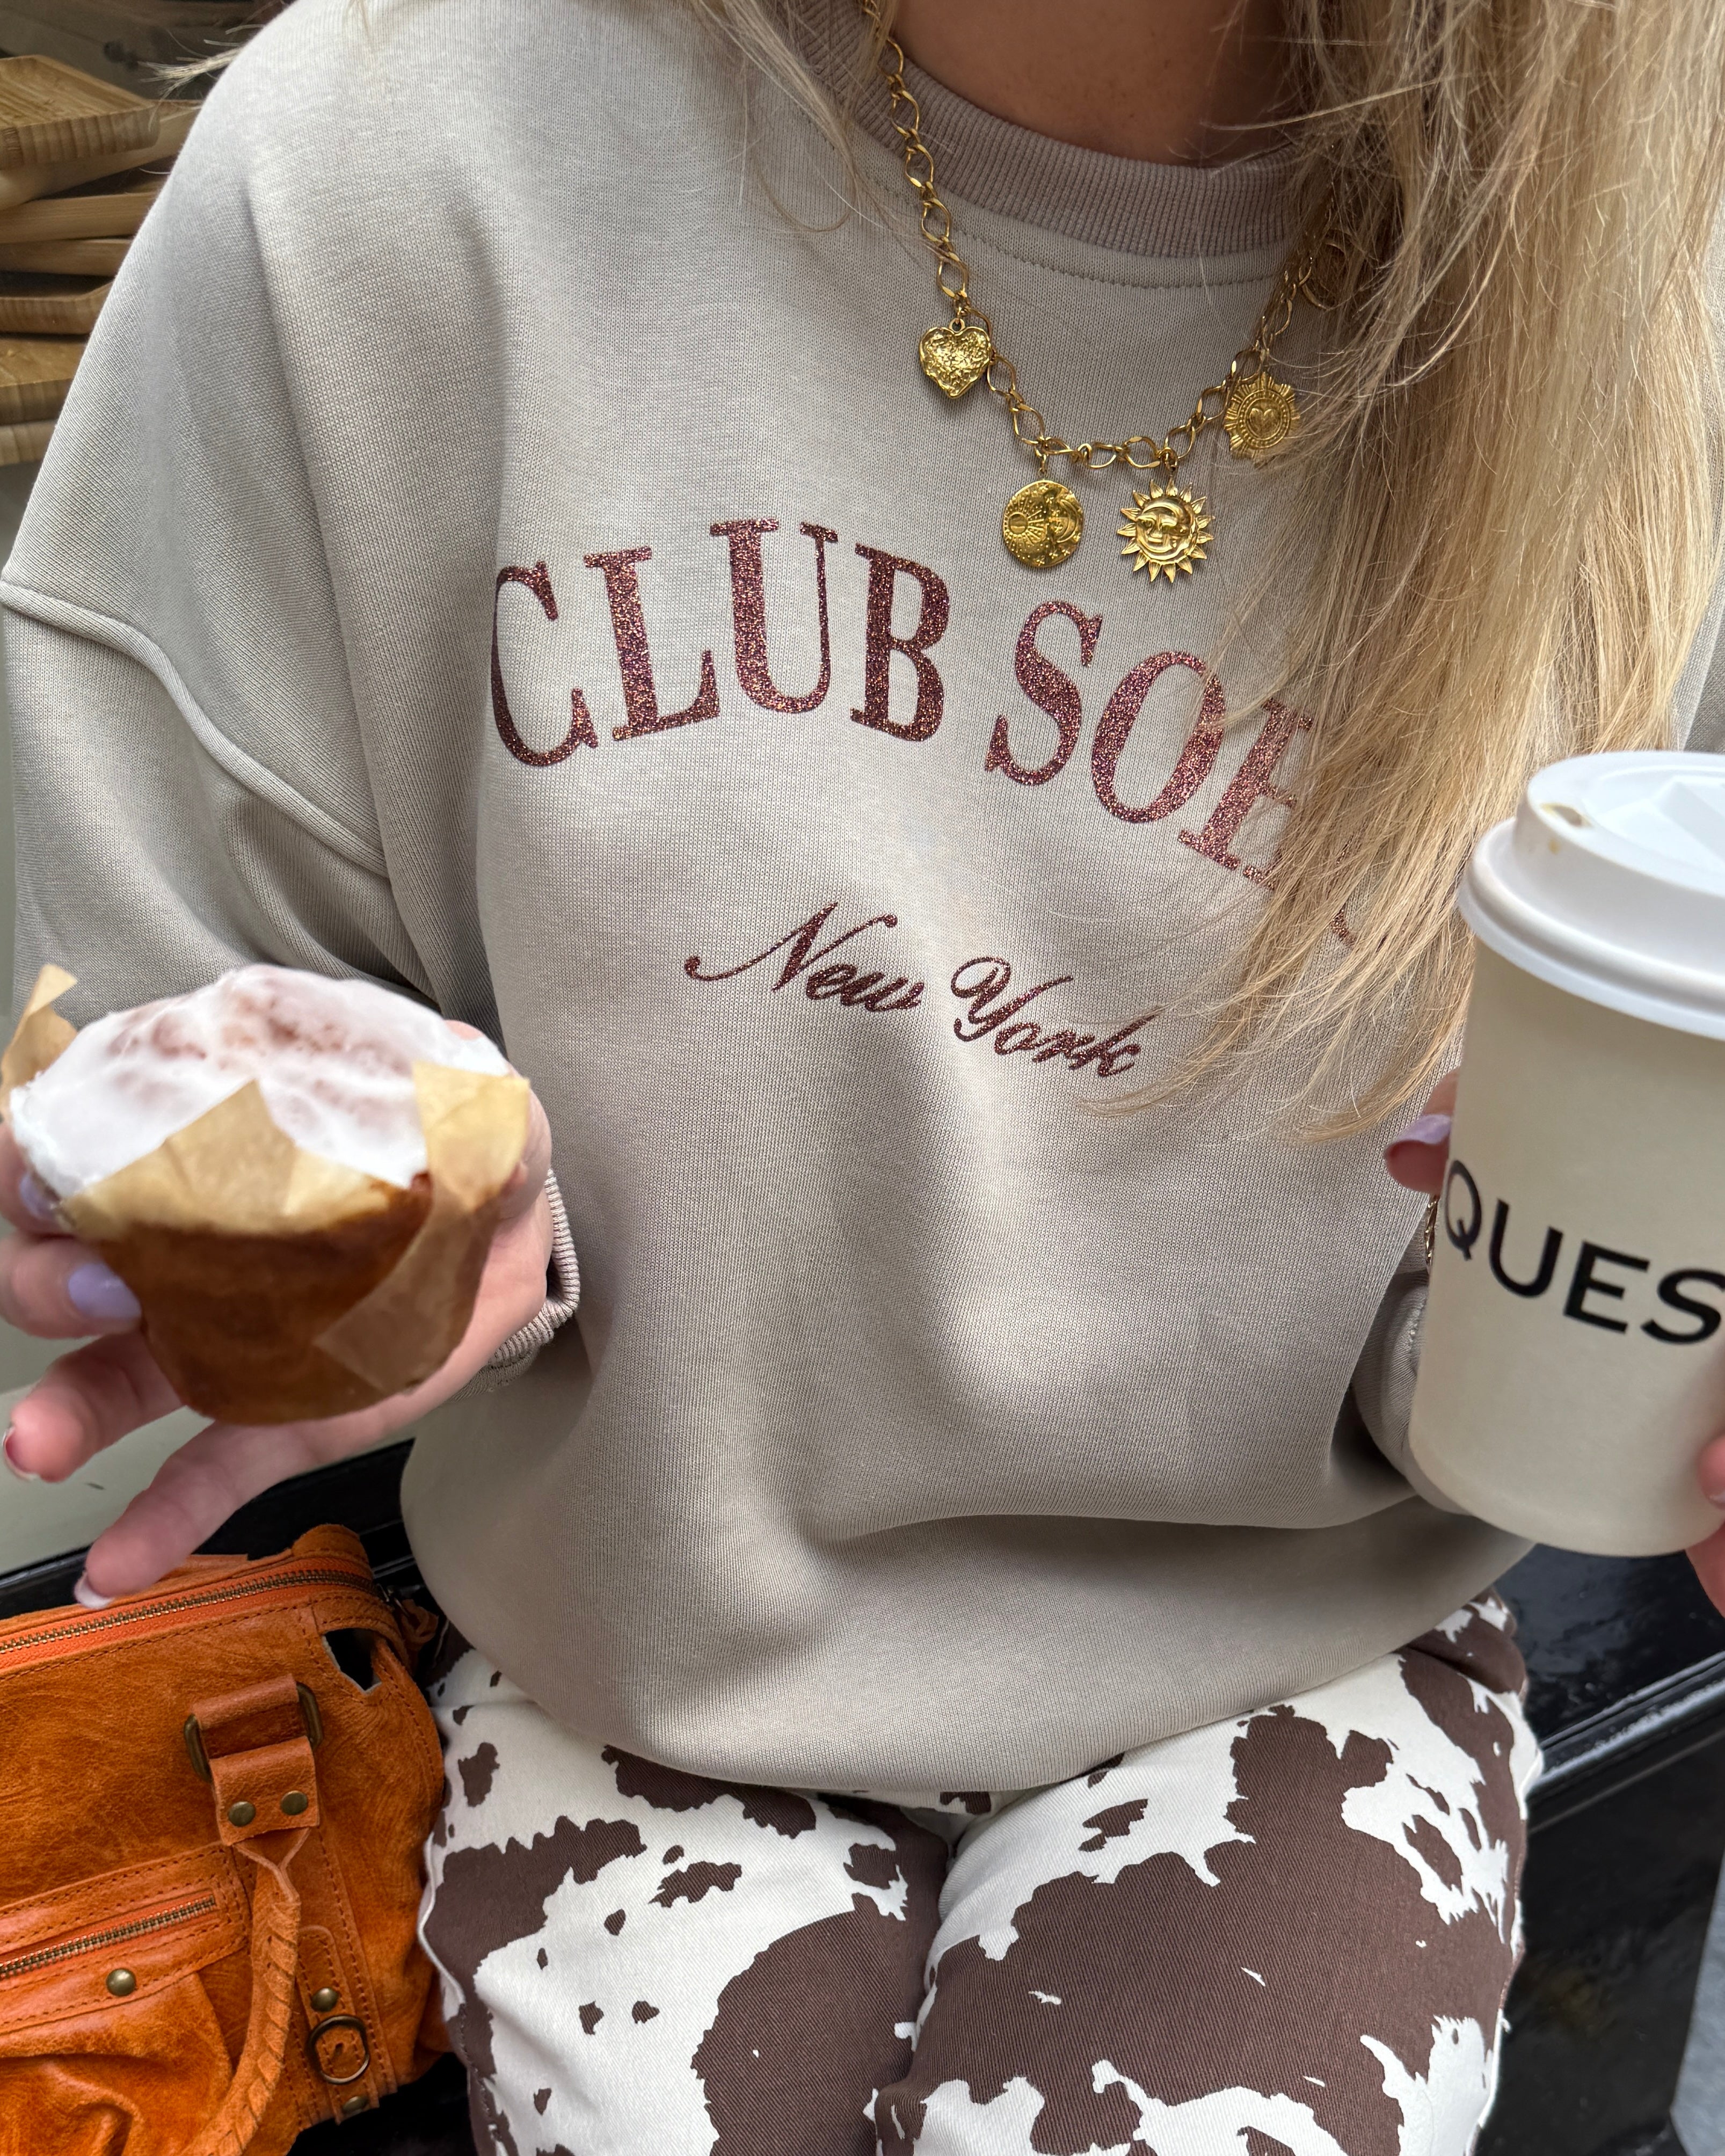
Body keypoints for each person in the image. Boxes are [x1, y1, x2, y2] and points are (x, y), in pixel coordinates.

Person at [0, 0, 1722, 2147]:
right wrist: (374, 1235)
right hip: (637, 1646)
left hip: (1297, 1642)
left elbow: (1609, 1183)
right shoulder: (386, 159)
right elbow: (184, 1001)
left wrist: (1633, 1359)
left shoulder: (1662, 279)